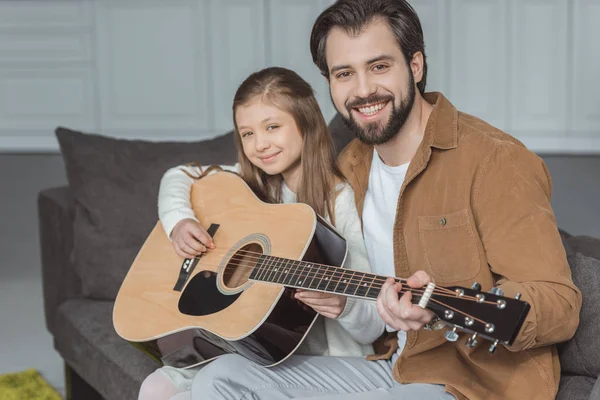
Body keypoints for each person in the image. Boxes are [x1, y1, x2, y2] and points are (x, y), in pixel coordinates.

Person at [181, 1, 582, 399]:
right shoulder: (350, 165)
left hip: (470, 383)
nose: (363, 90)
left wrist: (442, 307)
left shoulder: (494, 160)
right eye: (344, 74)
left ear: (416, 65)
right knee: (221, 378)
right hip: (394, 366)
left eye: (379, 66)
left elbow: (558, 304)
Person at [137, 66, 385, 400]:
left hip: (318, 363)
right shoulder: (247, 186)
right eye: (247, 133)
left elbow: (373, 323)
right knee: (155, 387)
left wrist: (344, 305)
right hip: (246, 349)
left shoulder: (340, 204)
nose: (260, 144)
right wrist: (180, 221)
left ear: (307, 123)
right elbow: (179, 174)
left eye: (272, 127)